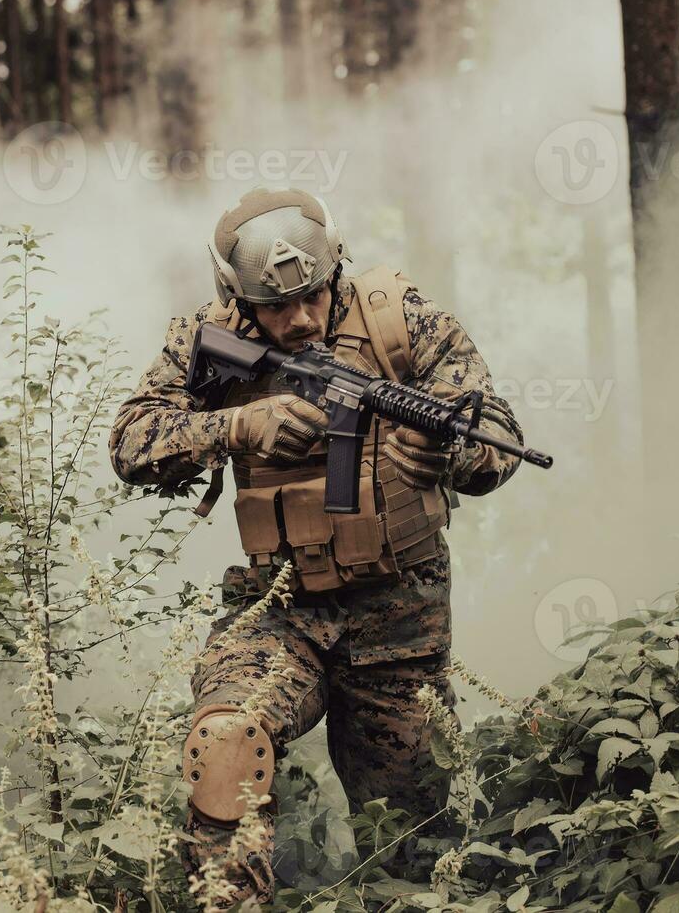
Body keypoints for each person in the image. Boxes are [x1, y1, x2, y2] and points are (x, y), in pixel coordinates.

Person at [108, 187, 526, 905]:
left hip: (400, 620)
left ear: (337, 270)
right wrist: (236, 427)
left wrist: (447, 456)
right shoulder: (205, 336)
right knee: (227, 743)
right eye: (276, 306)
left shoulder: (400, 317)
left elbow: (499, 434)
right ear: (236, 299)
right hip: (279, 608)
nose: (300, 319)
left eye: (313, 294)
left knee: (412, 854)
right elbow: (130, 441)